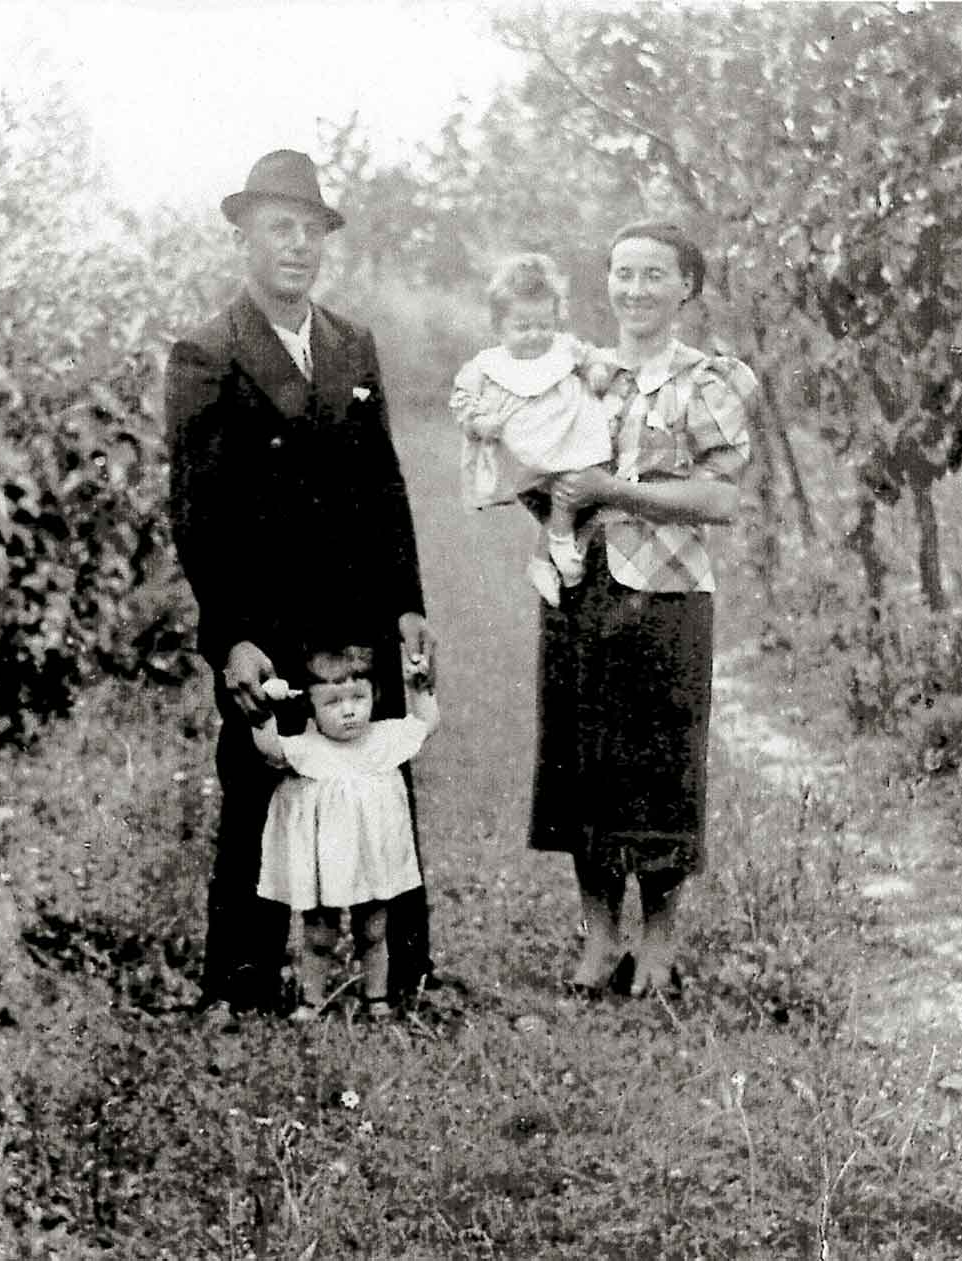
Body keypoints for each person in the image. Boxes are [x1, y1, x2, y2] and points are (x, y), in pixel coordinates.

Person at [166, 149, 438, 1027]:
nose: (297, 246)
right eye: (279, 227)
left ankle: (399, 974)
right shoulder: (209, 352)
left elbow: (384, 482)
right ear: (244, 236)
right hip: (265, 613)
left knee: (377, 775)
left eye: (310, 229)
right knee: (261, 780)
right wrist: (232, 634)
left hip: (357, 606)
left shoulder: (351, 343)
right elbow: (197, 514)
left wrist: (406, 604)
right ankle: (240, 982)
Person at [528, 220, 757, 998]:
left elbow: (721, 498)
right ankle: (600, 937)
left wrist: (616, 492)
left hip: (667, 593)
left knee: (660, 764)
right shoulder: (579, 374)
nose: (634, 290)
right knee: (582, 758)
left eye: (653, 275)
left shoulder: (708, 381)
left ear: (687, 287)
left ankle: (658, 940)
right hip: (581, 584)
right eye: (622, 273)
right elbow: (544, 475)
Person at [252, 643, 439, 1021]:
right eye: (333, 702)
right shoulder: (308, 748)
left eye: (358, 697)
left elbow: (427, 723)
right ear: (311, 708)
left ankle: (376, 996)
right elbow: (270, 750)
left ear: (375, 695)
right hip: (326, 861)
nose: (349, 710)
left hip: (370, 858)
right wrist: (264, 712)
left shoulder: (383, 739)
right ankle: (311, 999)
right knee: (319, 934)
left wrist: (419, 689)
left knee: (373, 930)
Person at [450, 253, 616, 606]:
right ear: (499, 326)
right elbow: (462, 398)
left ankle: (549, 551)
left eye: (544, 324)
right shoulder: (489, 364)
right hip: (524, 449)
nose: (535, 336)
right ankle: (553, 547)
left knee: (576, 481)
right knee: (563, 487)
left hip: (566, 437)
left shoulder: (564, 347)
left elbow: (591, 357)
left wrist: (596, 372)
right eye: (522, 327)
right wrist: (479, 422)